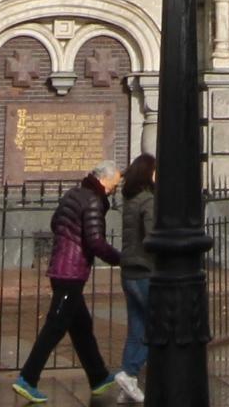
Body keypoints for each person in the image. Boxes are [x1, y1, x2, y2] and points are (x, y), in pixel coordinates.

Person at [11, 160, 124, 401]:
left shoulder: (74, 194)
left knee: (81, 327)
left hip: (62, 267)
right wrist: (119, 258)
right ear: (104, 179)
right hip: (70, 273)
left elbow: (56, 223)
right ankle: (27, 378)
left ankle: (99, 376)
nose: (115, 190)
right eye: (114, 184)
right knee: (55, 326)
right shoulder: (94, 201)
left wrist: (69, 237)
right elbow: (95, 241)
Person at [112, 153, 158, 404]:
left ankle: (126, 387)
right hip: (145, 271)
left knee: (136, 327)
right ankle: (129, 373)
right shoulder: (148, 201)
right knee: (157, 326)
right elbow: (152, 236)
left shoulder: (130, 200)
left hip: (128, 270)